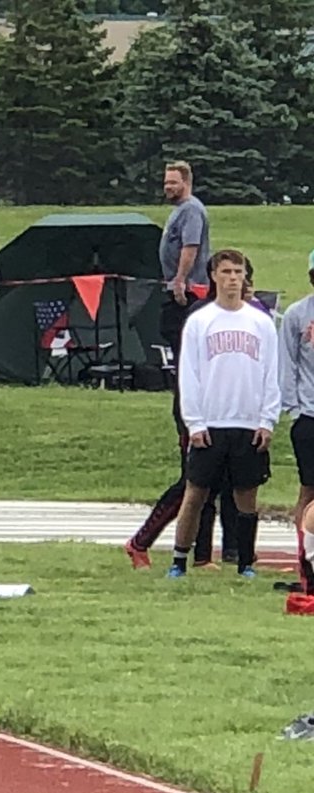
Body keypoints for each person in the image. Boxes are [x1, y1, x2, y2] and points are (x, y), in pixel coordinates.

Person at [168, 248, 280, 579]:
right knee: (196, 492)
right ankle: (179, 560)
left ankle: (245, 561)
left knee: (246, 494)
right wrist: (195, 422)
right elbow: (188, 374)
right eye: (226, 272)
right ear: (214, 276)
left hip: (248, 422)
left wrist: (267, 420)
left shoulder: (261, 322)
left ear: (246, 276)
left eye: (238, 272)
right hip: (211, 423)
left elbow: (271, 373)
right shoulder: (200, 321)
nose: (233, 278)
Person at [124, 161, 210, 569]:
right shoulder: (181, 212)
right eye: (164, 182)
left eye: (172, 182)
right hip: (192, 412)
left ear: (187, 183)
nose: (167, 188)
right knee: (193, 482)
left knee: (207, 482)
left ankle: (207, 554)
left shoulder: (191, 210)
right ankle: (143, 540)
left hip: (186, 293)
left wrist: (180, 281)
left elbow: (191, 250)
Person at [279, 250, 314, 574]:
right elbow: (287, 363)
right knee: (309, 488)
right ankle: (305, 560)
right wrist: (294, 409)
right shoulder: (297, 314)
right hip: (309, 415)